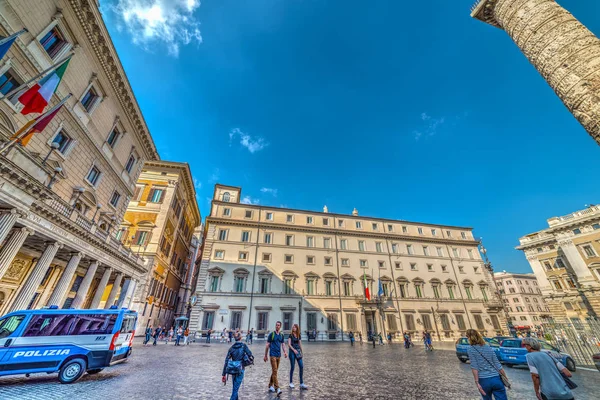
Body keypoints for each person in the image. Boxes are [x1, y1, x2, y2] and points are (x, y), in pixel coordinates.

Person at [466, 329, 508, 400]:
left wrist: (477, 382)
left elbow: (474, 367)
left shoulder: (471, 349)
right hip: (496, 379)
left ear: (469, 338)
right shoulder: (488, 347)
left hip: (483, 380)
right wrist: (505, 378)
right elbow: (497, 364)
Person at [222, 331, 254, 400]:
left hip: (233, 369)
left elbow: (226, 361)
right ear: (240, 338)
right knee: (235, 390)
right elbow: (250, 355)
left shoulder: (231, 348)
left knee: (235, 388)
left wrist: (223, 374)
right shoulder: (243, 346)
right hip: (240, 369)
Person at [264, 321, 287, 395]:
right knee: (275, 370)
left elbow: (283, 344)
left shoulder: (281, 335)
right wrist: (265, 355)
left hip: (278, 355)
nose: (277, 326)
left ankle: (270, 385)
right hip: (272, 355)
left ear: (280, 326)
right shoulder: (272, 334)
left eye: (278, 325)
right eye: (276, 325)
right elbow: (267, 345)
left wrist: (285, 352)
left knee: (275, 371)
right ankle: (277, 388)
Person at [287, 324, 308, 390]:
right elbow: (289, 344)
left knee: (301, 366)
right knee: (292, 367)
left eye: (295, 327)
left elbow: (300, 344)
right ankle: (291, 382)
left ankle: (301, 383)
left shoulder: (299, 335)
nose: (293, 328)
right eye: (293, 327)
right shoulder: (290, 335)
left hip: (298, 352)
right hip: (292, 352)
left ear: (297, 328)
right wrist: (293, 350)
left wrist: (301, 352)